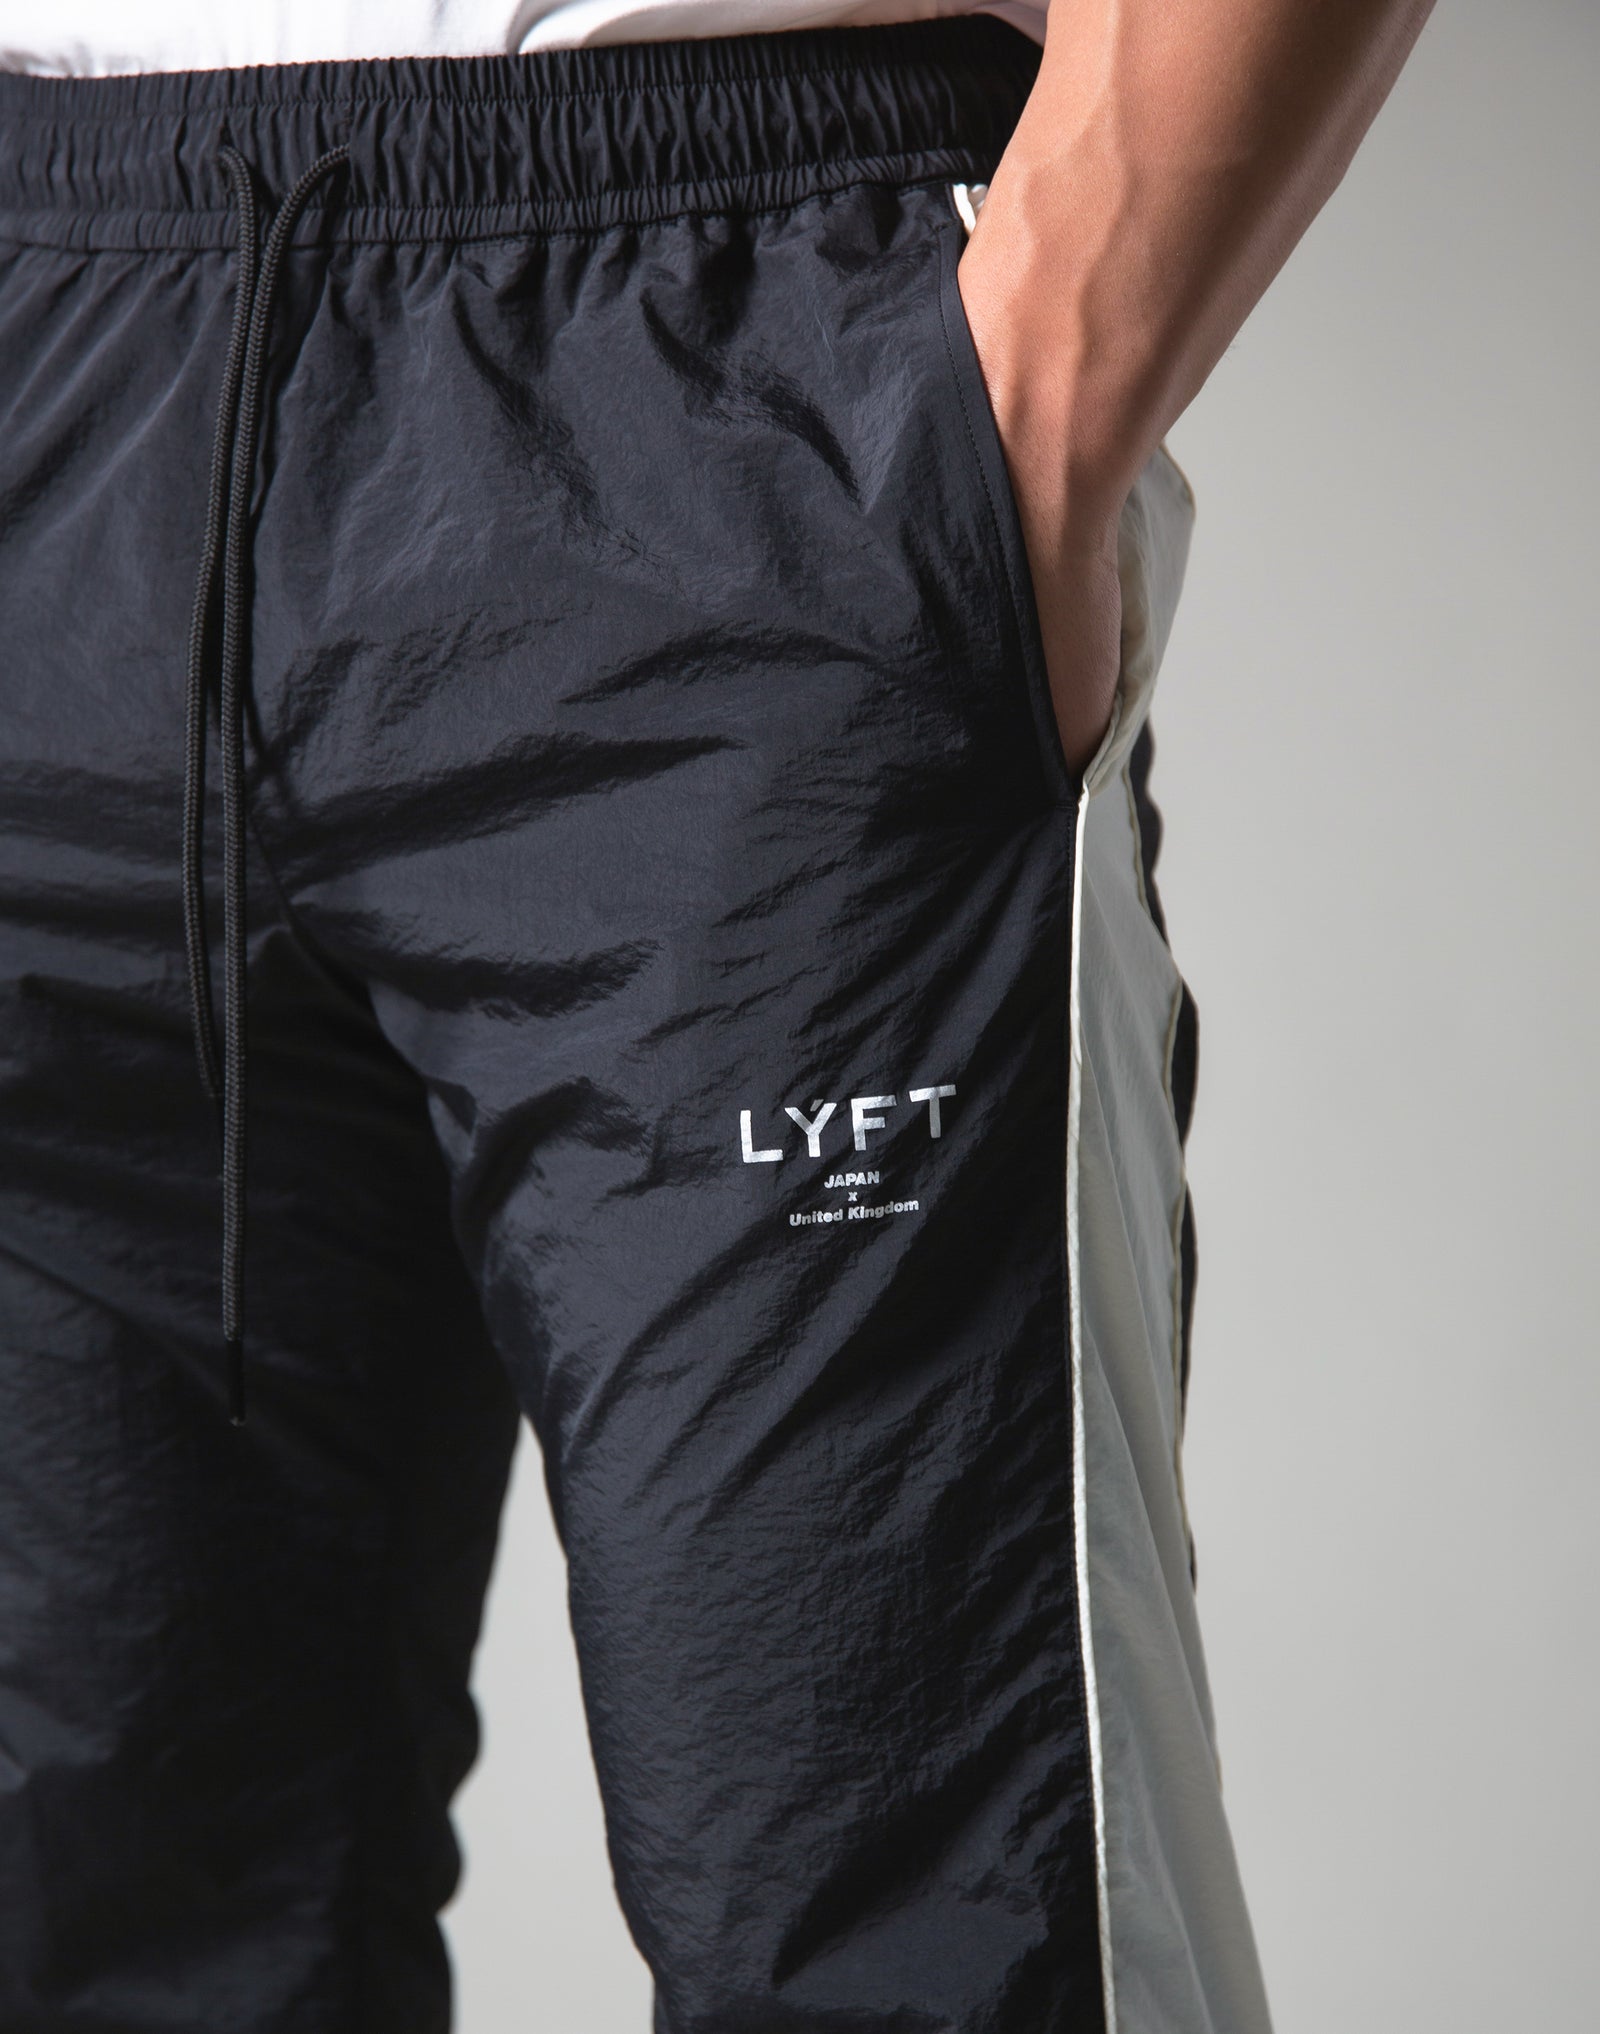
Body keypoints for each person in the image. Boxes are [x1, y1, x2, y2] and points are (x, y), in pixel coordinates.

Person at [0, 2, 1434, 2029]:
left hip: (723, 356)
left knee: (917, 1924)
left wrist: (1030, 404)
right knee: (95, 1913)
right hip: (52, 346)